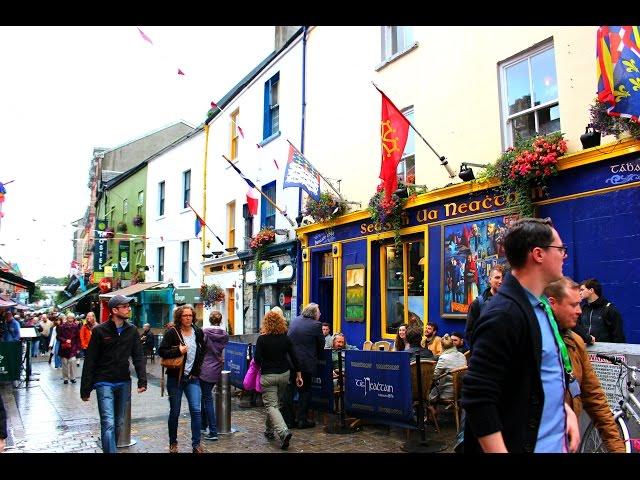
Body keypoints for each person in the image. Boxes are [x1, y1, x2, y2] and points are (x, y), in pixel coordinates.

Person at [460, 217, 580, 453]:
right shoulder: (504, 314)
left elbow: (535, 377)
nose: (564, 255)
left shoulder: (539, 306)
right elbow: (477, 397)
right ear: (538, 254)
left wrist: (564, 411)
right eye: (560, 249)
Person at [544, 277, 625, 453]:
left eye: (579, 304)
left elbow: (596, 401)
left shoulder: (576, 342)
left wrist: (617, 449)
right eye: (573, 305)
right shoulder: (537, 340)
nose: (580, 311)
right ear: (552, 303)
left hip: (566, 443)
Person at [80, 295, 147, 454]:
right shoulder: (99, 331)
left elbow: (138, 356)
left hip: (123, 381)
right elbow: (90, 361)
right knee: (108, 422)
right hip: (104, 382)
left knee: (118, 423)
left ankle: (110, 449)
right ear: (114, 310)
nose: (128, 309)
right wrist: (85, 389)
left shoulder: (131, 330)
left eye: (128, 306)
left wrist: (142, 381)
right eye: (124, 306)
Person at [158, 304, 205, 454]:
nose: (188, 318)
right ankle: (173, 443)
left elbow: (202, 352)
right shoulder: (172, 332)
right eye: (185, 315)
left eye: (190, 315)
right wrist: (177, 350)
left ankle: (196, 444)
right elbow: (162, 351)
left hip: (192, 378)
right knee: (175, 412)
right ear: (179, 317)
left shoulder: (198, 332)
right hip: (175, 378)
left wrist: (196, 371)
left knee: (196, 411)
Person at [253, 309, 303, 450]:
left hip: (268, 376)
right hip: (284, 375)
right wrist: (299, 375)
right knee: (275, 404)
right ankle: (269, 430)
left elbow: (256, 360)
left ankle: (283, 432)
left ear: (266, 323)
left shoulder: (262, 339)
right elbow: (294, 357)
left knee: (271, 406)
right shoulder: (285, 338)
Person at [287, 302, 324, 429]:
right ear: (314, 313)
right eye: (319, 312)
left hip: (290, 361)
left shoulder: (295, 321)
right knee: (305, 391)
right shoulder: (316, 325)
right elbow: (321, 344)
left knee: (290, 391)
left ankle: (290, 420)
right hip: (305, 363)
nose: (320, 314)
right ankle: (302, 420)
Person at [199, 310, 228, 442]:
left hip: (205, 367)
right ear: (220, 321)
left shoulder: (204, 332)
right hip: (216, 367)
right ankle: (203, 425)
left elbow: (200, 349)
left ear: (210, 320)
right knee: (205, 397)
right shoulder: (224, 334)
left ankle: (213, 431)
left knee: (207, 399)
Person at [576, 278, 626, 344]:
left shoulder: (609, 309)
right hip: (585, 351)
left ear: (591, 290)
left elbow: (618, 337)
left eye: (582, 290)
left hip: (605, 352)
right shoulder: (582, 309)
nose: (580, 293)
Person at [465, 265, 504, 344]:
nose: (501, 281)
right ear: (490, 279)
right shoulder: (477, 304)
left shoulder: (510, 303)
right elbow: (469, 333)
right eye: (497, 277)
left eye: (503, 278)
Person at [429, 334, 467, 403]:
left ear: (442, 346)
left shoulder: (444, 358)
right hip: (461, 392)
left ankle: (432, 409)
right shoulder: (462, 355)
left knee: (428, 395)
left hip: (447, 393)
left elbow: (434, 377)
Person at [58, 312, 81, 384]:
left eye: (72, 318)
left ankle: (73, 377)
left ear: (73, 319)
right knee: (64, 363)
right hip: (64, 347)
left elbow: (78, 338)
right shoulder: (62, 327)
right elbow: (58, 337)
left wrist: (78, 348)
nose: (70, 319)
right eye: (69, 318)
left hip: (73, 347)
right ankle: (65, 378)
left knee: (72, 362)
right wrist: (65, 340)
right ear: (67, 318)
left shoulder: (76, 326)